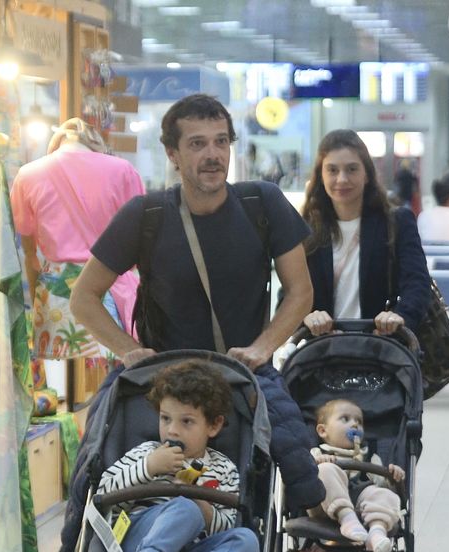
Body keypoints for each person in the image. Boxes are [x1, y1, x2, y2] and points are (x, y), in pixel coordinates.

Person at [69, 92, 324, 515]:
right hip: (165, 373)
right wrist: (129, 351)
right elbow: (83, 297)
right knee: (92, 459)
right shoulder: (146, 214)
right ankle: (82, 547)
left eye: (221, 141)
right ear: (172, 154)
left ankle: (307, 536)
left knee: (297, 459)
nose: (213, 154)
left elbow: (301, 291)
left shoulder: (262, 204)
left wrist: (262, 348)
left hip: (244, 369)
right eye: (197, 143)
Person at [96, 360, 260, 552]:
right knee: (185, 508)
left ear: (214, 425)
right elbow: (103, 495)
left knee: (248, 540)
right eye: (165, 418)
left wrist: (204, 508)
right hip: (136, 545)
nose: (172, 431)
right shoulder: (146, 452)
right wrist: (148, 468)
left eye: (186, 422)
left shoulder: (224, 468)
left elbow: (227, 524)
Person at [10, 118, 145, 359]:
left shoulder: (28, 174)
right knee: (113, 371)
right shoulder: (123, 170)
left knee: (58, 373)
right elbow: (139, 246)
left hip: (55, 294)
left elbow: (30, 255)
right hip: (108, 287)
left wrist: (37, 295)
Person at [300, 129, 430, 338]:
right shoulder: (307, 229)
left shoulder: (397, 221)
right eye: (332, 170)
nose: (342, 179)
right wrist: (307, 317)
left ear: (367, 174)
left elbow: (417, 283)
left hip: (383, 345)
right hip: (322, 348)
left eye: (352, 169)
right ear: (321, 176)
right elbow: (291, 294)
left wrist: (400, 317)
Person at [310, 399, 404, 552]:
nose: (355, 425)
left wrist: (392, 477)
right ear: (323, 431)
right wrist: (317, 463)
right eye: (345, 419)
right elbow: (302, 480)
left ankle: (377, 531)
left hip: (361, 505)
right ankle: (347, 518)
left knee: (384, 494)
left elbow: (381, 485)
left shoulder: (369, 456)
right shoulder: (317, 453)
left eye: (359, 422)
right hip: (324, 506)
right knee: (325, 470)